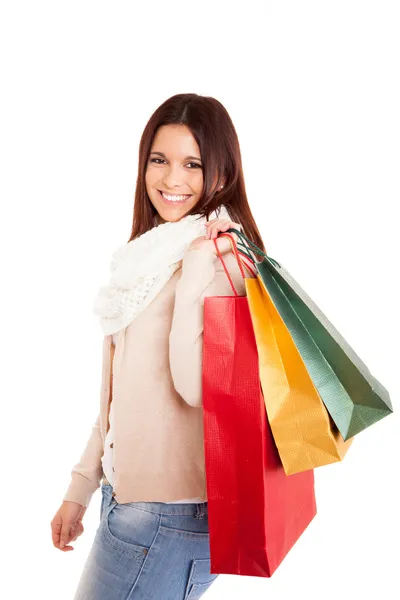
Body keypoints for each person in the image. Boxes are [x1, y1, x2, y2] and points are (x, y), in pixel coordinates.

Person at [50, 92, 266, 600]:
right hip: (129, 501)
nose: (172, 180)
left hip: (171, 512)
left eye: (193, 164)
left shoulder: (218, 257)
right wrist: (80, 490)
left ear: (220, 173)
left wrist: (195, 274)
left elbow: (198, 390)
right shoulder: (145, 259)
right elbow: (123, 395)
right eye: (160, 160)